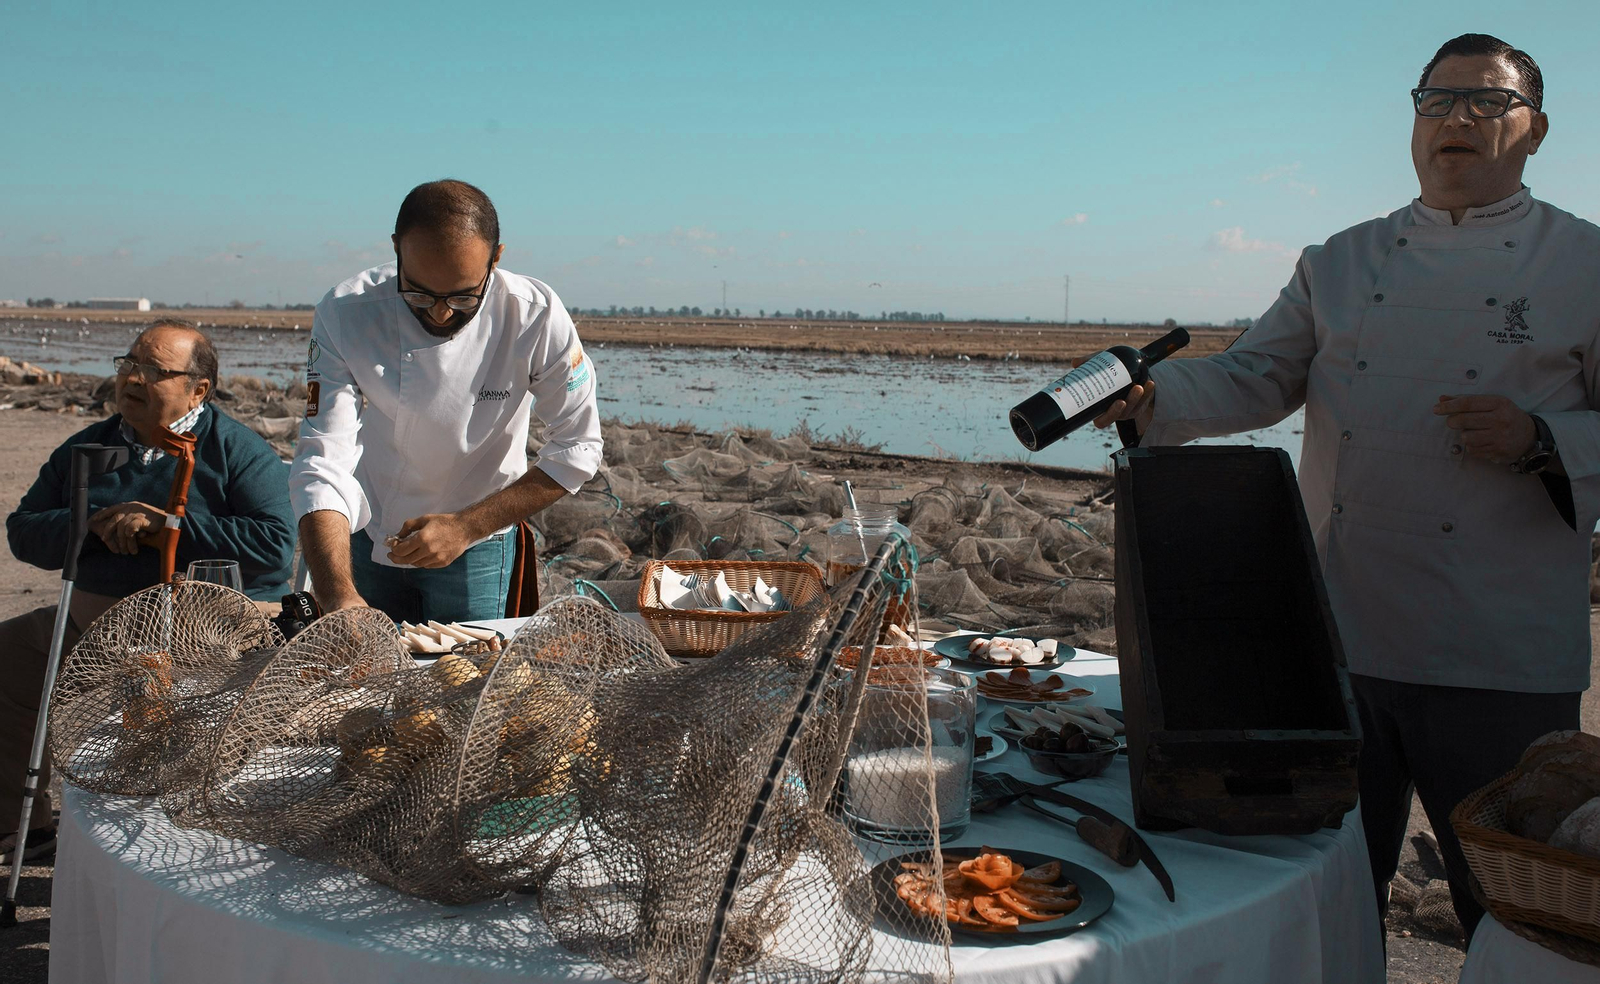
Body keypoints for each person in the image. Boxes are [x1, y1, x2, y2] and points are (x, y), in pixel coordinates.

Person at [1096, 33, 1597, 941]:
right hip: (1344, 634)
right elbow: (1255, 376)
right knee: (1330, 890)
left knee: (1516, 912)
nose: (1458, 119)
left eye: (1487, 103)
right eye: (1437, 100)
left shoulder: (1586, 265)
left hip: (1500, 650)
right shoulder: (1340, 260)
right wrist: (1154, 397)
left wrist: (1544, 436)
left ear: (1536, 131)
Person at [0, 319, 297, 861]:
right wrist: (88, 521)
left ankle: (196, 841)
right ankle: (24, 827)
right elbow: (23, 533)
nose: (132, 379)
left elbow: (276, 545)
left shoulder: (238, 450)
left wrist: (169, 528)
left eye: (154, 371)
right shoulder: (87, 450)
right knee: (8, 659)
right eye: (128, 364)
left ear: (198, 389)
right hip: (92, 629)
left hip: (208, 639)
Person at [290, 179, 602, 623]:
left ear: (495, 258)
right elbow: (322, 461)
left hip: (479, 546)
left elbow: (578, 447)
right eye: (418, 293)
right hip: (364, 530)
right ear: (397, 248)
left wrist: (465, 527)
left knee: (470, 679)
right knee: (364, 678)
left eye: (462, 296)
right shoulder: (346, 312)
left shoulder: (535, 315)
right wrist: (336, 592)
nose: (440, 313)